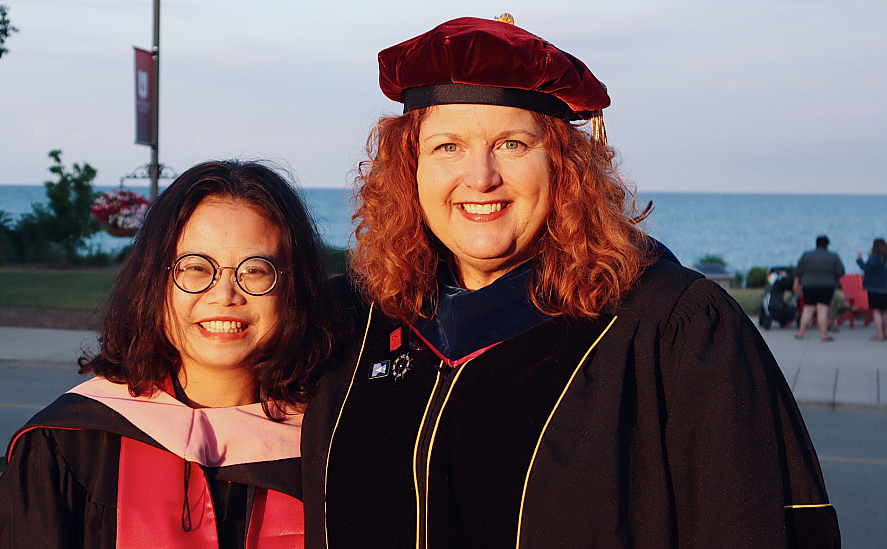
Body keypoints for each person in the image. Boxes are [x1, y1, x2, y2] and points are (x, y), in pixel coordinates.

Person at [302, 16, 839, 548]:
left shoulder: (672, 330)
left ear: (566, 164)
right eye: (447, 147)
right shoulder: (357, 320)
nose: (481, 176)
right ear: (409, 168)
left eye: (513, 144)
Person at [0, 160, 337, 548]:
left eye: (256, 270)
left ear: (293, 288)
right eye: (196, 267)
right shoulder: (71, 444)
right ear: (156, 280)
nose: (225, 295)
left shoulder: (332, 442)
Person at [795, 235, 845, 341]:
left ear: (816, 243)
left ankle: (800, 333)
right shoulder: (833, 256)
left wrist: (796, 284)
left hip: (809, 286)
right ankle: (824, 335)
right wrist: (833, 278)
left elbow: (798, 271)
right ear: (827, 245)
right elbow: (841, 272)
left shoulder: (806, 255)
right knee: (822, 310)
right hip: (827, 286)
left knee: (808, 309)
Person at [857, 238, 887, 340]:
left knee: (877, 311)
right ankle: (886, 333)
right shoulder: (884, 258)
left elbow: (866, 268)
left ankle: (880, 334)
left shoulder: (876, 258)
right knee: (885, 312)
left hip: (875, 289)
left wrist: (860, 259)